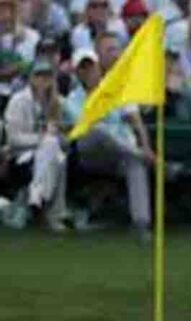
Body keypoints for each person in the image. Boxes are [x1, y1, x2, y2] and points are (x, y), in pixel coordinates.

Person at [64, 48, 153, 238]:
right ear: (77, 73)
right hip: (90, 153)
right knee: (97, 131)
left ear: (99, 67)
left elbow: (135, 120)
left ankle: (141, 223)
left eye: (91, 67)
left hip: (120, 154)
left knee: (135, 163)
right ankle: (141, 155)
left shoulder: (117, 90)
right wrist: (139, 151)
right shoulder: (73, 99)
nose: (88, 72)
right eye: (83, 69)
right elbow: (83, 127)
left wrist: (146, 145)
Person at [4, 60, 67, 231]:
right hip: (20, 155)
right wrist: (41, 139)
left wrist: (54, 134)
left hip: (47, 154)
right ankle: (53, 212)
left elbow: (65, 136)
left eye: (47, 76)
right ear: (31, 78)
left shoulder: (56, 102)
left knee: (59, 158)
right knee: (51, 145)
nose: (43, 80)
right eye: (39, 75)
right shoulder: (18, 100)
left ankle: (38, 198)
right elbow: (13, 139)